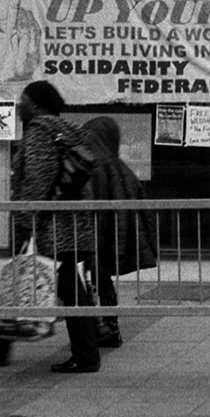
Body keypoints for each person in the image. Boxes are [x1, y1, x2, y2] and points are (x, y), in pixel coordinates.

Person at [0, 80, 103, 372]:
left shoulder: (41, 133)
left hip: (51, 227)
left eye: (23, 100)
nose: (18, 106)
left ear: (37, 105)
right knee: (38, 281)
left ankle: (87, 355)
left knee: (66, 290)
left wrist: (24, 223)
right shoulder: (66, 131)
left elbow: (37, 182)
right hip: (68, 223)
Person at [83, 116, 158, 349]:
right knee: (100, 278)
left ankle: (100, 327)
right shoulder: (119, 166)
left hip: (98, 233)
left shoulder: (98, 167)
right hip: (111, 233)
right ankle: (107, 326)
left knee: (90, 279)